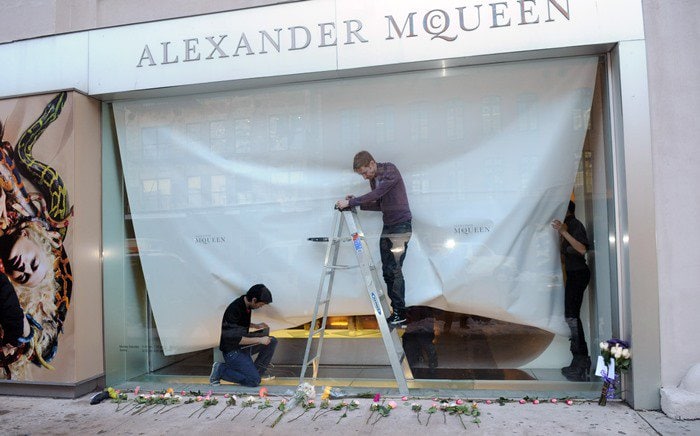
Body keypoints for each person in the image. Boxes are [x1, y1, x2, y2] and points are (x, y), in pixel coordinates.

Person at [335, 151, 412, 326]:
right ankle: (397, 312)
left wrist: (351, 203)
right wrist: (356, 202)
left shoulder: (389, 171)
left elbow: (377, 194)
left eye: (364, 172)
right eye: (361, 174)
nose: (364, 177)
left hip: (401, 226)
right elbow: (379, 203)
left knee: (394, 269)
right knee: (387, 270)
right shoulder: (374, 179)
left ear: (372, 163)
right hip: (389, 226)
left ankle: (401, 312)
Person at [551, 200, 591, 381]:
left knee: (572, 316)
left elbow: (582, 249)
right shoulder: (569, 226)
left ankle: (581, 359)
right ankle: (579, 359)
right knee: (571, 316)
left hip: (579, 274)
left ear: (566, 210)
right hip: (573, 275)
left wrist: (564, 232)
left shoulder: (574, 225)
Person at [209, 284, 277, 387]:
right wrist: (259, 340)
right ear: (254, 300)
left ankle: (256, 373)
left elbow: (238, 324)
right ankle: (220, 370)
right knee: (254, 381)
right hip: (232, 351)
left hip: (242, 347)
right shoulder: (234, 309)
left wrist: (255, 325)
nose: (261, 307)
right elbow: (237, 339)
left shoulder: (246, 305)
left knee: (272, 341)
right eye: (261, 304)